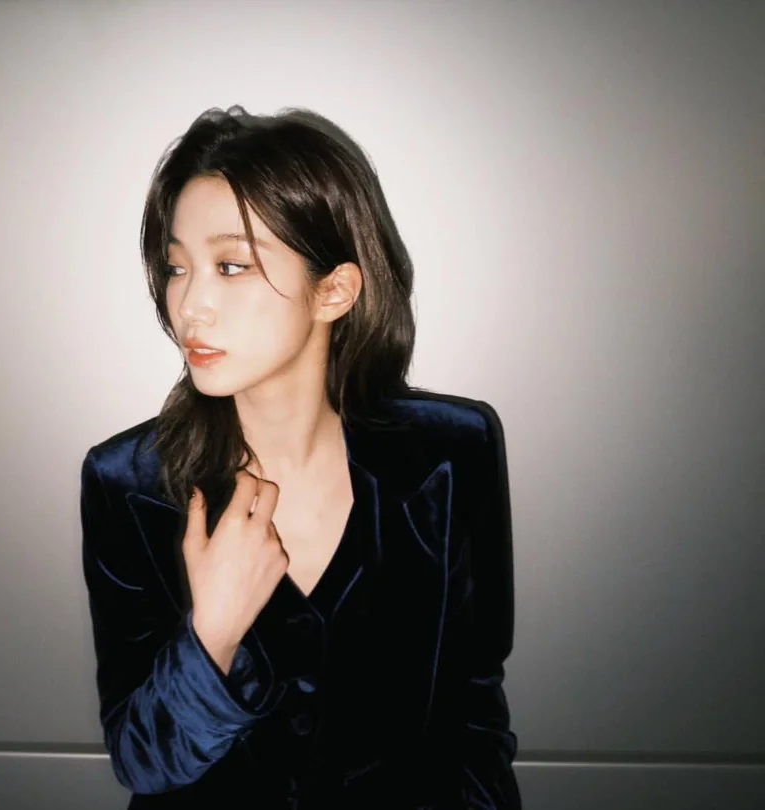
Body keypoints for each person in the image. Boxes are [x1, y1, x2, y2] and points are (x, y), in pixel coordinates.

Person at [79, 105, 521, 809]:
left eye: (231, 266)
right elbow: (143, 761)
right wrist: (213, 631)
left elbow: (474, 722)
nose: (190, 305)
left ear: (334, 290)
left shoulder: (450, 455)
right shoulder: (129, 483)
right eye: (177, 267)